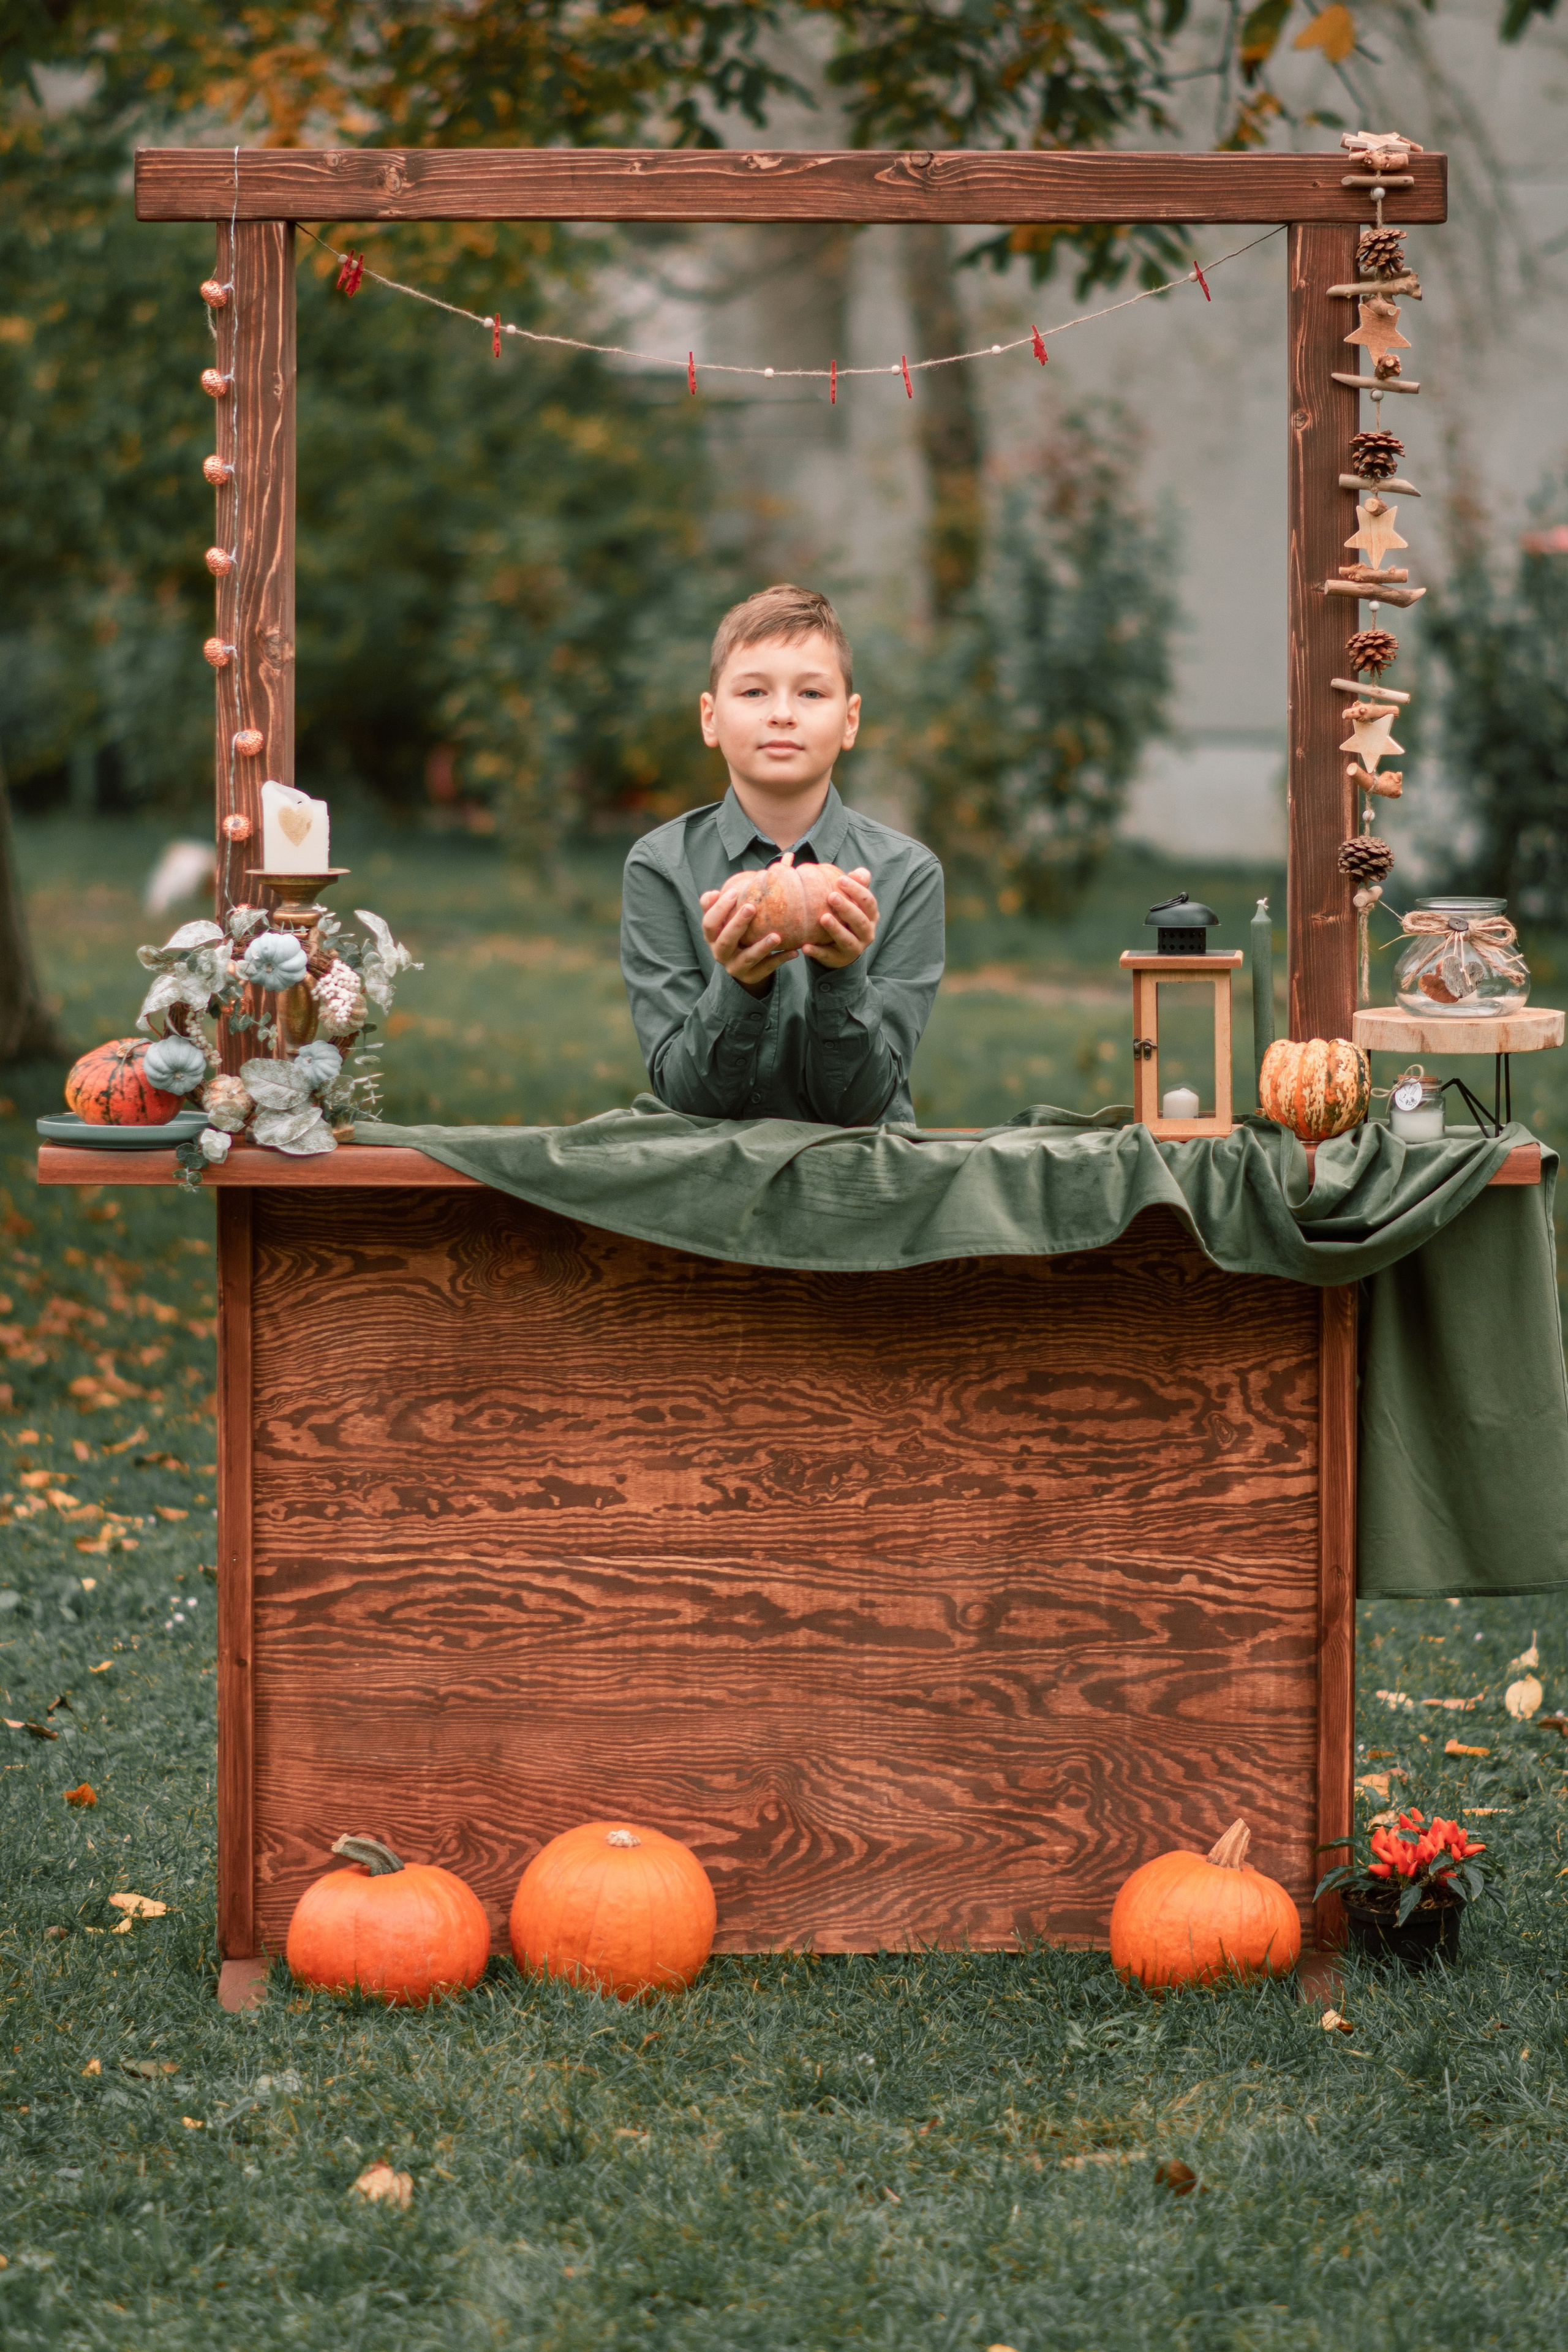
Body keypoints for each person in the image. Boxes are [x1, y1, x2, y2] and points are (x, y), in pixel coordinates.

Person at [620, 584, 944, 1125]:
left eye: (812, 694)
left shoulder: (908, 874)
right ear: (709, 717)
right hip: (710, 1185)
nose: (782, 715)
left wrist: (842, 976)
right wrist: (740, 985)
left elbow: (864, 1107)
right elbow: (686, 1102)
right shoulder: (660, 866)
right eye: (753, 693)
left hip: (860, 1184)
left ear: (850, 720)